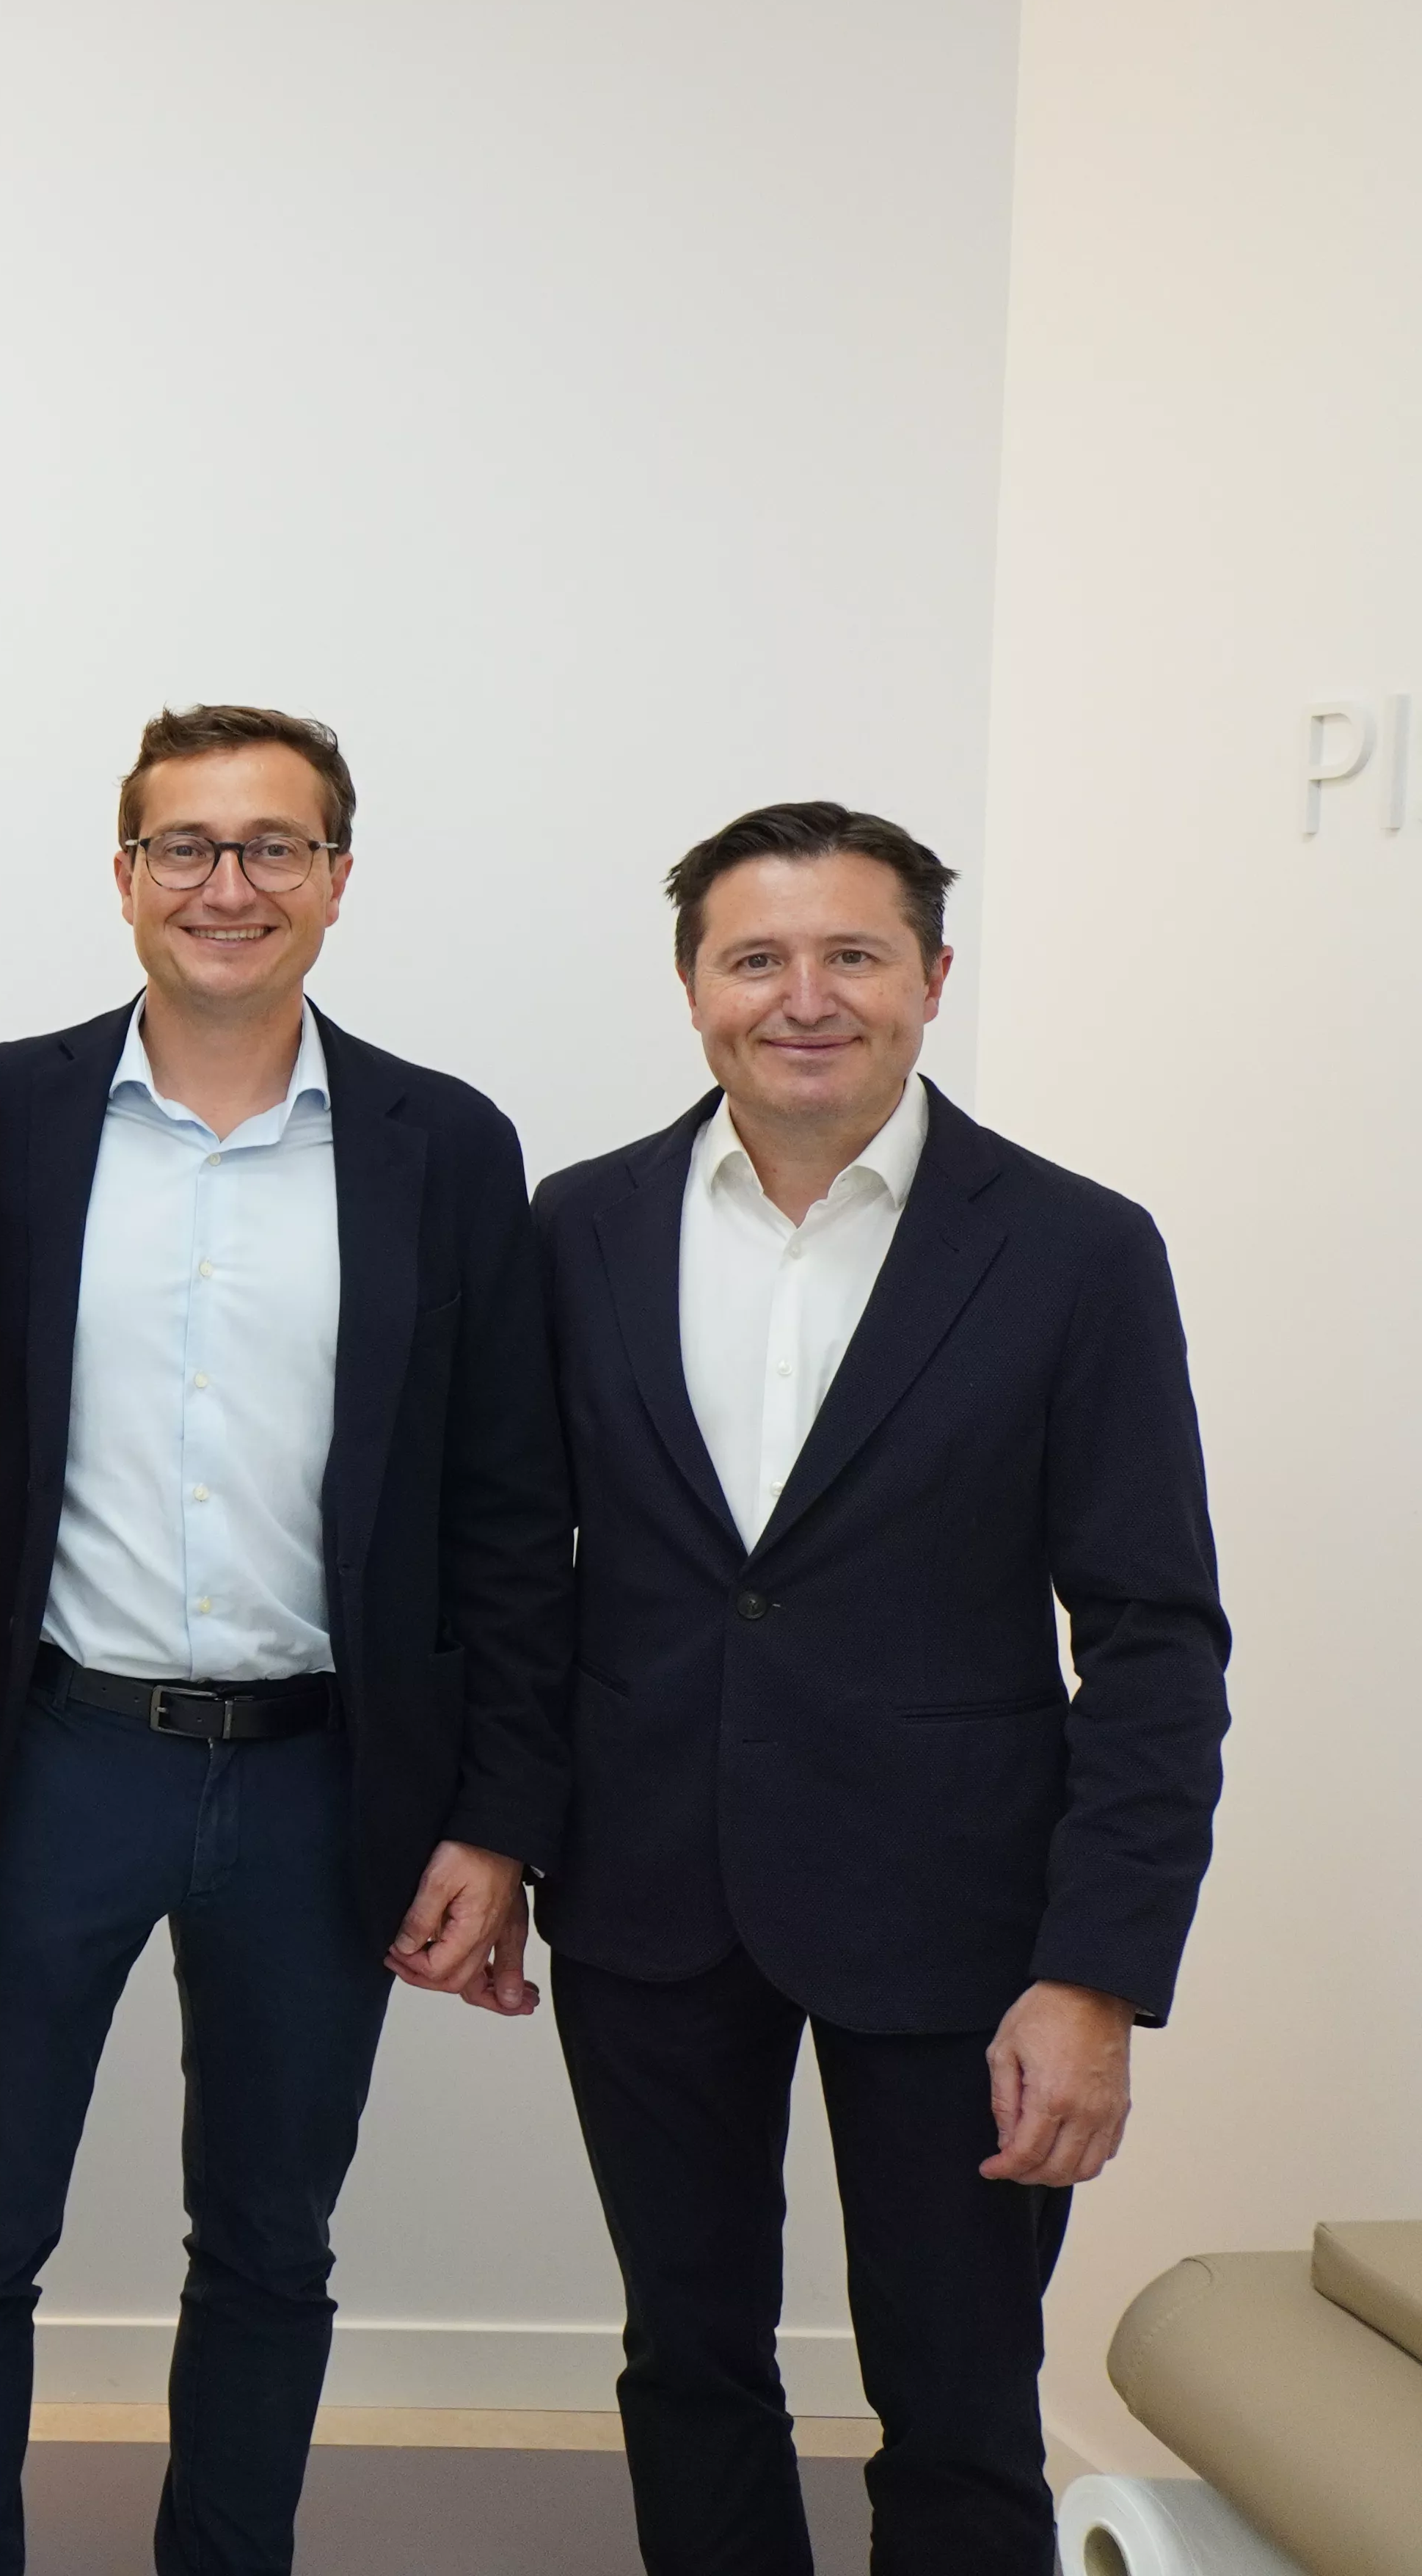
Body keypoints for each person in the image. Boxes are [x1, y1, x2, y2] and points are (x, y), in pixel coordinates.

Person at [0, 704, 575, 2576]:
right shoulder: (2, 1112)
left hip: (322, 1779)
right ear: (122, 878)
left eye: (275, 846)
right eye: (185, 845)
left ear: (341, 880)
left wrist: (497, 1817)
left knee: (273, 2244)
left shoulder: (445, 1144)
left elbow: (509, 1514)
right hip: (53, 1761)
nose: (228, 884)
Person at [528, 803, 1228, 2576]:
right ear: (694, 987)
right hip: (649, 1892)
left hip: (968, 1924)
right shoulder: (580, 1226)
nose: (803, 996)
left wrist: (1097, 1973)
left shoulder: (1075, 1248)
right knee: (686, 2359)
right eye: (755, 956)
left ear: (929, 975)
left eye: (852, 953)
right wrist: (495, 1826)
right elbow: (519, 1572)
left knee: (962, 2393)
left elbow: (1153, 1631)